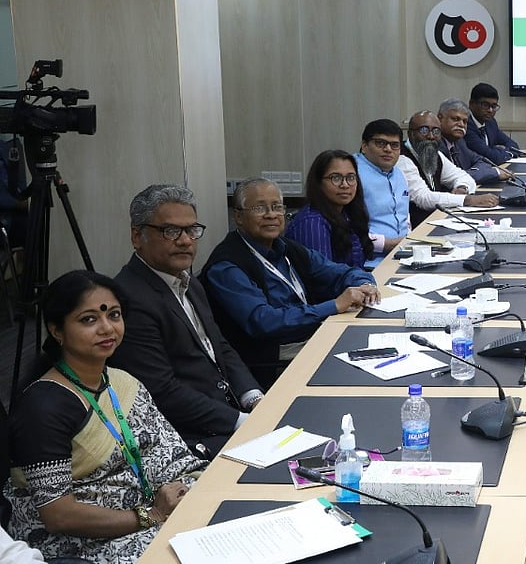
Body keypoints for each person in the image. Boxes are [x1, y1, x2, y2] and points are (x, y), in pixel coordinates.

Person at [5, 271, 206, 563]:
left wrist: (182, 491)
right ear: (57, 330)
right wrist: (150, 515)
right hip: (82, 546)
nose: (107, 328)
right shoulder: (42, 407)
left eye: (114, 315)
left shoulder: (121, 382)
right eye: (89, 319)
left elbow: (171, 455)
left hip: (152, 511)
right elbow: (58, 515)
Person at [109, 184, 263, 458]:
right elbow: (162, 392)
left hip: (229, 414)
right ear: (137, 236)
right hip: (190, 437)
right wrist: (241, 421)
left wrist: (254, 398)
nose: (185, 241)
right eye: (171, 231)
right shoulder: (129, 298)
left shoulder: (188, 282)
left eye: (192, 230)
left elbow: (219, 347)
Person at [201, 179, 379, 385]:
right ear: (238, 216)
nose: (271, 214)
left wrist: (366, 285)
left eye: (277, 207)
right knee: (361, 375)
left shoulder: (286, 249)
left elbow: (340, 272)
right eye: (260, 208)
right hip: (275, 358)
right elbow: (263, 321)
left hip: (313, 337)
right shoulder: (227, 266)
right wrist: (334, 306)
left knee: (374, 349)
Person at [401, 111, 499, 228]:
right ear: (411, 134)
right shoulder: (402, 158)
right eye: (424, 130)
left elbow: (462, 176)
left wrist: (461, 188)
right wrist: (468, 200)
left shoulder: (436, 155)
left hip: (436, 222)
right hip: (416, 229)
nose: (431, 136)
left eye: (436, 131)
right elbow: (423, 198)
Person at [286, 150, 373, 268]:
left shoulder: (346, 214)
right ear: (318, 182)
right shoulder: (312, 222)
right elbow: (323, 275)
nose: (345, 185)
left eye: (351, 177)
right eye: (336, 178)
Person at [354, 119, 411, 254]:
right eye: (380, 143)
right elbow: (347, 228)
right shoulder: (352, 174)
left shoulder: (399, 174)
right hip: (369, 258)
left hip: (404, 252)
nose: (388, 149)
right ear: (364, 146)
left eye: (394, 145)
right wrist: (387, 244)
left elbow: (405, 217)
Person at [438, 98, 513, 186]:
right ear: (440, 118)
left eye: (464, 121)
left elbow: (481, 162)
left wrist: (471, 173)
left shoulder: (459, 143)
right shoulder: (434, 145)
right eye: (455, 119)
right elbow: (454, 178)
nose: (461, 124)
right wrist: (494, 173)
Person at [464, 82, 522, 165]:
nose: (490, 110)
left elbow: (513, 145)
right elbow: (492, 157)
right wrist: (506, 153)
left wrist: (501, 152)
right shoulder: (466, 124)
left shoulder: (490, 123)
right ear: (472, 104)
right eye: (485, 105)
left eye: (494, 106)